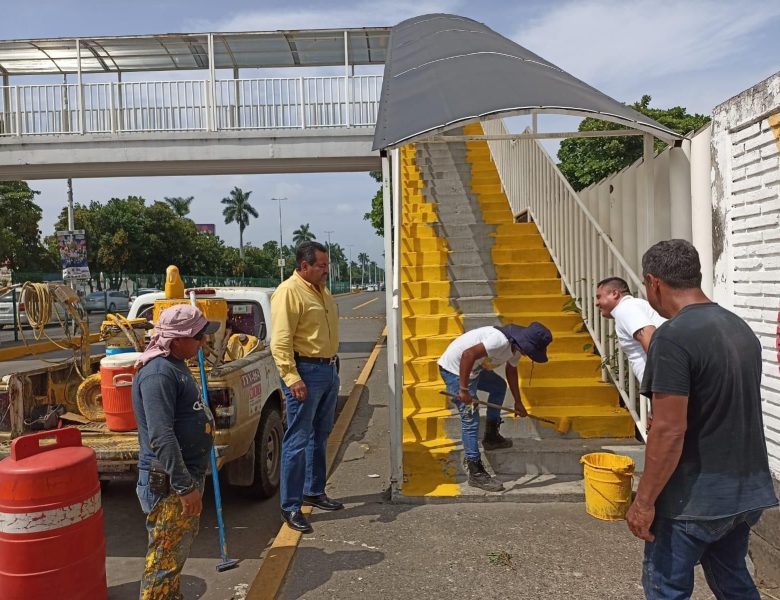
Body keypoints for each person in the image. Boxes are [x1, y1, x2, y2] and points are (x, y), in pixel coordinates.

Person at [626, 239, 778, 599]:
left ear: (654, 282)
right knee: (733, 583)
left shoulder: (673, 338)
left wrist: (644, 502)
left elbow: (669, 430)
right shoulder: (739, 328)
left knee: (666, 589)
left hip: (692, 501)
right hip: (743, 495)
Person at [132, 304, 220, 599]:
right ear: (177, 339)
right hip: (170, 485)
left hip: (184, 477)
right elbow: (161, 436)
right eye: (199, 337)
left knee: (172, 556)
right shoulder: (158, 374)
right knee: (163, 562)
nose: (204, 342)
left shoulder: (175, 364)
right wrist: (184, 487)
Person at [271, 241, 343, 534]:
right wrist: (292, 377)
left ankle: (315, 490)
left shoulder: (321, 291)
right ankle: (290, 506)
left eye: (327, 265)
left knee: (320, 435)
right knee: (297, 440)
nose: (327, 270)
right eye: (322, 266)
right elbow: (280, 341)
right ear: (304, 266)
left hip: (328, 369)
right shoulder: (288, 292)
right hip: (306, 372)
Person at [437, 322, 553, 492]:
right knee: (470, 416)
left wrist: (518, 402)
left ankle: (491, 436)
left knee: (498, 387)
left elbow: (511, 372)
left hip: (474, 369)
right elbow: (468, 354)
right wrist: (463, 389)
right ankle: (475, 471)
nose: (529, 355)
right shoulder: (499, 341)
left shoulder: (516, 348)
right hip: (455, 369)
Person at [595, 276, 666, 382]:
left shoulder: (625, 308)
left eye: (599, 297)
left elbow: (651, 338)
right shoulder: (633, 305)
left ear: (615, 293)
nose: (596, 303)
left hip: (664, 384)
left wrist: (665, 383)